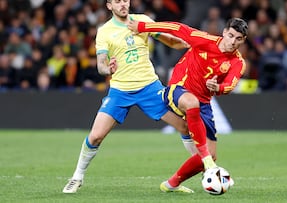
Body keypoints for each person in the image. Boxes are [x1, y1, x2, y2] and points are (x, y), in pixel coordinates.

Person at [63, 0, 217, 194]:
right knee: (96, 136)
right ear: (109, 6)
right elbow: (100, 64)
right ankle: (77, 177)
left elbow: (168, 39)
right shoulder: (105, 31)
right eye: (117, 1)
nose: (123, 4)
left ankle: (206, 170)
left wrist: (186, 44)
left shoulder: (142, 21)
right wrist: (106, 69)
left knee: (184, 125)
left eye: (125, 0)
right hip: (120, 91)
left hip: (150, 89)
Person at [128, 17, 248, 192]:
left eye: (238, 39)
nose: (232, 42)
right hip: (178, 89)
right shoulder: (205, 40)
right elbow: (177, 28)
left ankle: (171, 184)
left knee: (211, 155)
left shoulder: (237, 62)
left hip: (204, 104)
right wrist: (143, 26)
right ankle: (206, 158)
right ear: (224, 32)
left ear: (243, 40)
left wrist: (218, 87)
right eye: (230, 35)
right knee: (192, 105)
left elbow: (230, 84)